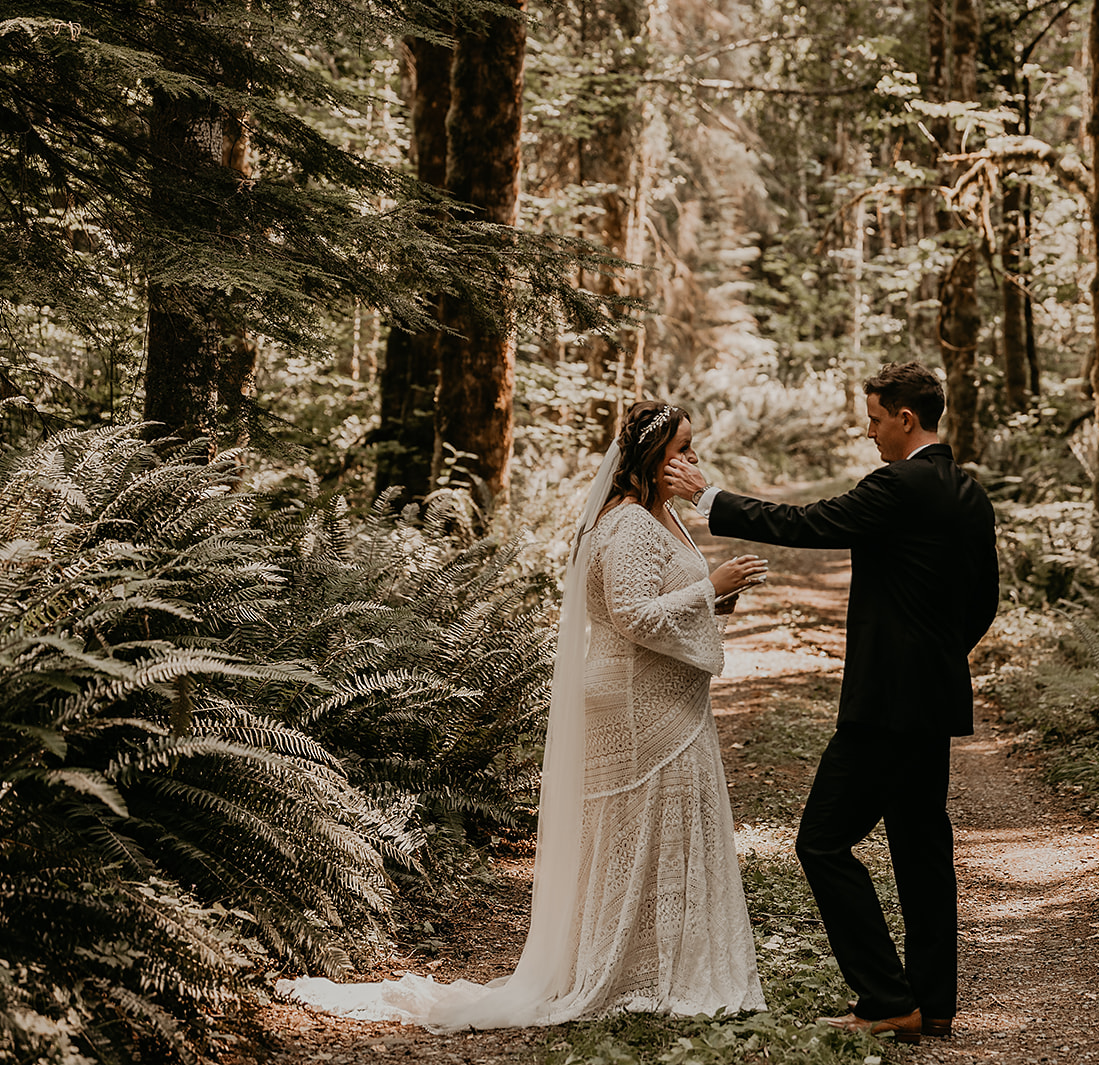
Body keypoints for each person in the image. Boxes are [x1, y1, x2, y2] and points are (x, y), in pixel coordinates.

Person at [279, 402, 768, 1030]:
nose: (693, 461)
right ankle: (617, 967)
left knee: (669, 828)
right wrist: (712, 583)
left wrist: (719, 592)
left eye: (693, 449)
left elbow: (673, 610)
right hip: (631, 698)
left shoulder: (663, 516)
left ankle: (665, 964)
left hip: (671, 696)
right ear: (650, 459)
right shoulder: (625, 527)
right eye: (682, 452)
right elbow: (631, 616)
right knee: (633, 832)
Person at [664, 361, 999, 1046]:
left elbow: (809, 522)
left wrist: (709, 496)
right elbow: (983, 600)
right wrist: (936, 657)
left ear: (907, 418)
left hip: (885, 705)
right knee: (921, 846)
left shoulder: (898, 485)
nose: (868, 429)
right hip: (932, 699)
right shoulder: (968, 491)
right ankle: (933, 1002)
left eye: (875, 417)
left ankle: (885, 995)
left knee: (820, 840)